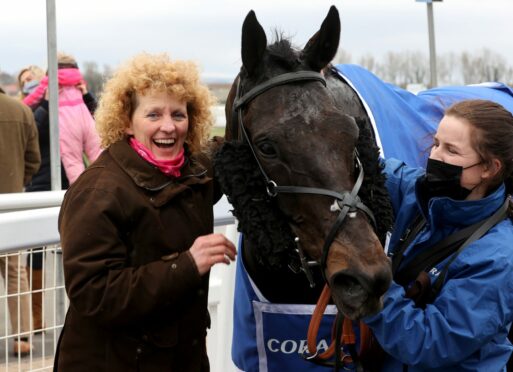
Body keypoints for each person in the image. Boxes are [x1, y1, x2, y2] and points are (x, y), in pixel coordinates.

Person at [54, 52, 236, 371]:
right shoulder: (99, 190)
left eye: (178, 114)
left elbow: (228, 155)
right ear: (126, 121)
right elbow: (93, 292)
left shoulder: (191, 172)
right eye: (153, 115)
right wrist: (187, 264)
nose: (168, 126)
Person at [363, 99, 513, 371]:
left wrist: (373, 286)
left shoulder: (499, 259)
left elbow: (429, 342)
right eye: (435, 143)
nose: (435, 157)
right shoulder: (422, 192)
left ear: (489, 169)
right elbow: (373, 168)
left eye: (452, 151)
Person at [18, 59, 100, 333]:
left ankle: (75, 314)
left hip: (69, 184)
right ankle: (37, 320)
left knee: (76, 251)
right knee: (37, 256)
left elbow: (98, 121)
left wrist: (86, 93)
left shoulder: (78, 103)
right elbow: (32, 129)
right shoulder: (38, 105)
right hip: (42, 184)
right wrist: (47, 101)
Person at [0, 86, 41, 356]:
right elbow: (33, 160)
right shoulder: (21, 110)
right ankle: (22, 337)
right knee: (16, 273)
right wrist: (17, 184)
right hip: (10, 205)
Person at [22, 53, 102, 185]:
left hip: (54, 174)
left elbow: (31, 100)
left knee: (73, 162)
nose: (27, 84)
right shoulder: (78, 81)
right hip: (85, 121)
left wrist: (87, 96)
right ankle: (103, 184)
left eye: (29, 79)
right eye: (23, 82)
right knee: (99, 156)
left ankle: (82, 190)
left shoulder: (49, 85)